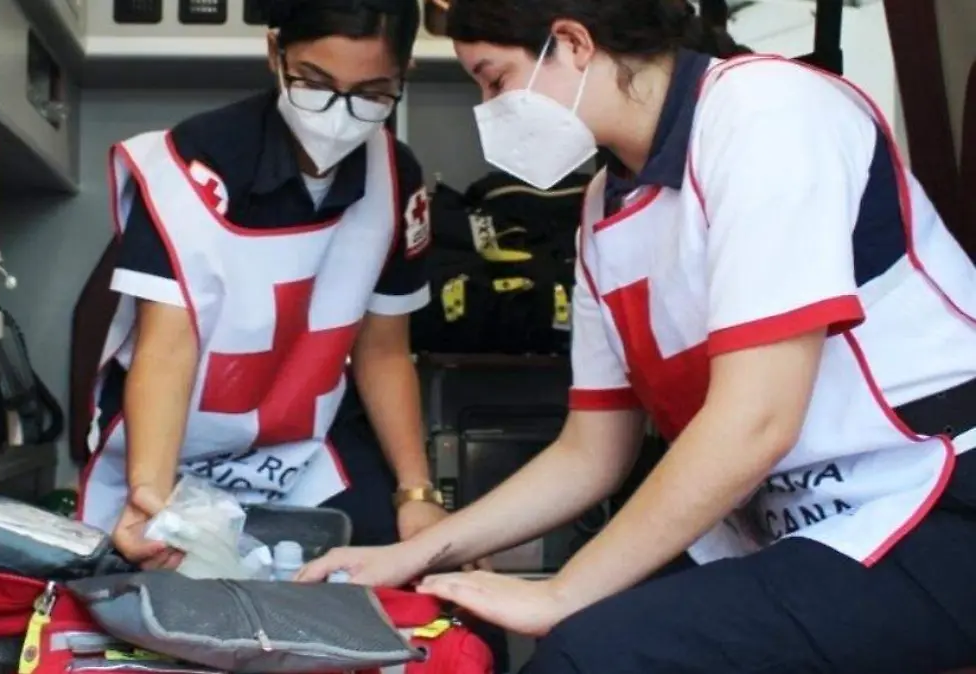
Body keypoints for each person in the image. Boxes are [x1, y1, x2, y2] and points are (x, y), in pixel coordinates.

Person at [298, 0, 976, 671]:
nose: (489, 110)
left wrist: (562, 594)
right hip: (793, 518)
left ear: (572, 43)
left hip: (930, 499)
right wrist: (415, 553)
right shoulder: (604, 207)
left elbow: (758, 421)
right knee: (538, 630)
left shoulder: (766, 110)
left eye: (495, 80)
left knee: (589, 652)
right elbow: (590, 453)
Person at [79, 0, 451, 568]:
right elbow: (167, 348)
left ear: (404, 75)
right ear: (276, 53)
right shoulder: (194, 163)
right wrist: (148, 492)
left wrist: (416, 493)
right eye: (315, 83)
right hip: (172, 444)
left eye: (372, 93)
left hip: (303, 449)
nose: (338, 114)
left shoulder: (395, 177)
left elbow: (383, 350)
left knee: (390, 572)